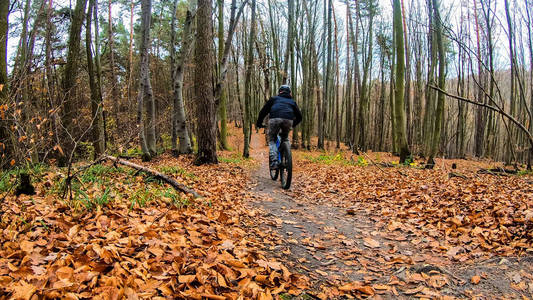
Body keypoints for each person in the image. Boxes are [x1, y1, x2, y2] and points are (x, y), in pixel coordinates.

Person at [256, 85, 302, 169]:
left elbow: (263, 112)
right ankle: (288, 159)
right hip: (288, 120)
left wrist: (259, 123)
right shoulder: (292, 102)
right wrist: (293, 125)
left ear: (279, 92)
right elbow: (299, 117)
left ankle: (274, 162)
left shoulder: (274, 99)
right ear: (289, 93)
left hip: (274, 119)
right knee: (285, 138)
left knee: (272, 140)